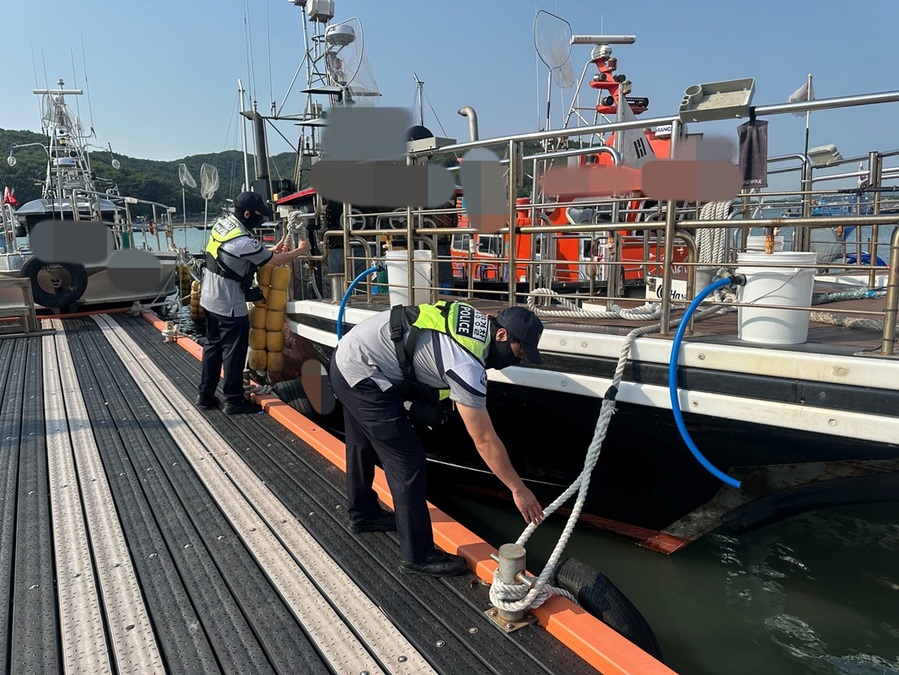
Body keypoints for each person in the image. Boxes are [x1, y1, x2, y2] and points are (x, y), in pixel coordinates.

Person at [329, 300, 545, 577]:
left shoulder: (474, 324)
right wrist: (518, 489)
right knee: (408, 462)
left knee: (361, 442)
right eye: (519, 352)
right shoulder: (468, 365)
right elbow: (485, 441)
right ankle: (418, 556)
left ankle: (363, 513)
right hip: (364, 375)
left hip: (349, 357)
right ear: (501, 335)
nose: (519, 359)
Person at [197, 191, 310, 414]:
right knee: (234, 353)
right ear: (247, 214)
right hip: (229, 304)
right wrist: (301, 250)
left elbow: (242, 254)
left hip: (209, 298)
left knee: (213, 347)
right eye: (258, 216)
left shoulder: (223, 225)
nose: (261, 220)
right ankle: (233, 400)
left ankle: (205, 396)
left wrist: (270, 250)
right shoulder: (242, 240)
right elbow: (274, 260)